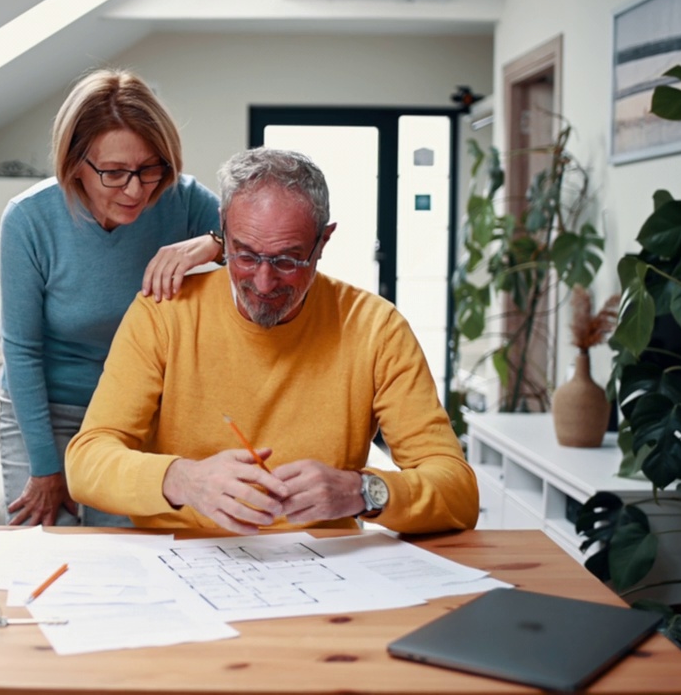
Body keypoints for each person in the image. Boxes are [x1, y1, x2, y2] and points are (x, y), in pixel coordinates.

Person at [64, 147, 478, 534]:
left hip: (328, 578)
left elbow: (459, 493)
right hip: (184, 563)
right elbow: (86, 463)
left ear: (323, 242)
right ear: (222, 232)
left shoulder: (376, 329)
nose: (263, 282)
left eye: (286, 260)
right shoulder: (163, 313)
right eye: (244, 255)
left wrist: (362, 491)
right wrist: (182, 480)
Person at [0, 68, 223, 528]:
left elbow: (259, 237)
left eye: (148, 168)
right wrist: (46, 468)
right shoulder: (29, 220)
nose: (136, 189)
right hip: (48, 412)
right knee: (47, 552)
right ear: (75, 162)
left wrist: (213, 242)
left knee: (129, 556)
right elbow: (21, 352)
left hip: (136, 413)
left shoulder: (180, 200)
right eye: (115, 173)